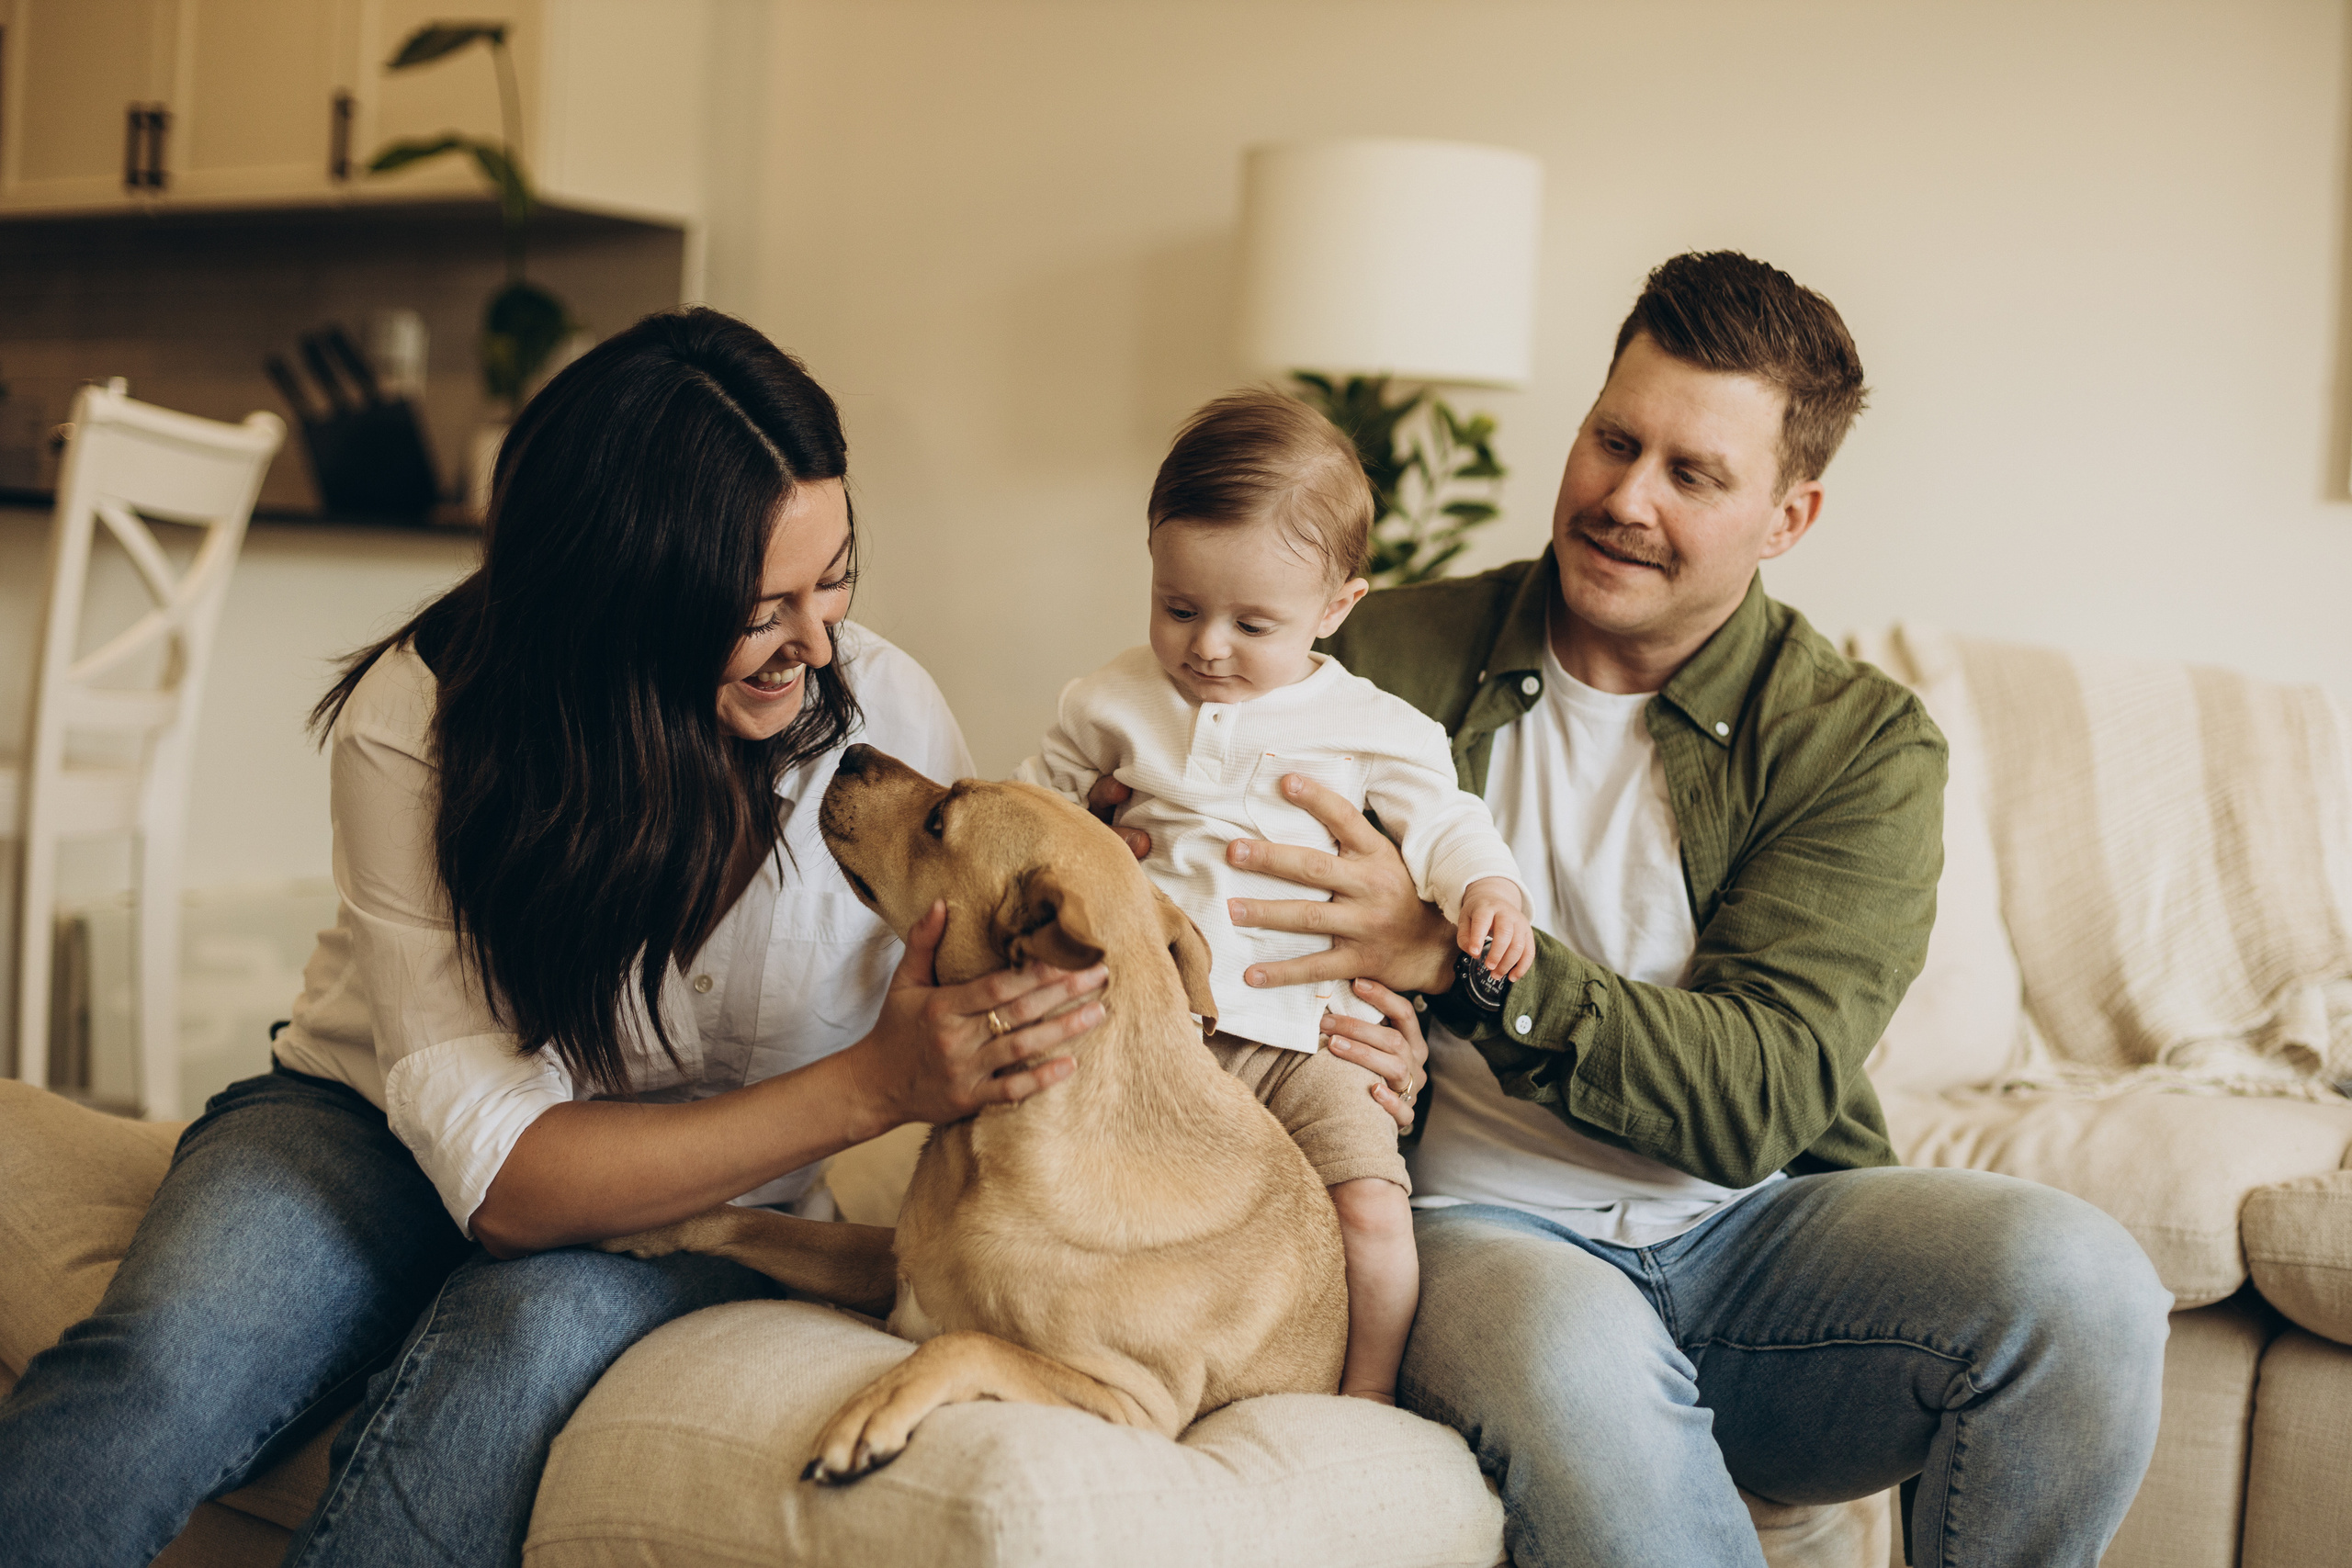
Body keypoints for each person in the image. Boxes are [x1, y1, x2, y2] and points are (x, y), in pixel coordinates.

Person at [1101, 253, 2174, 1565]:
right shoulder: (1375, 658)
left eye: (1693, 473)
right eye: (1614, 439)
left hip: (1759, 1232)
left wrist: (1458, 965)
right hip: (1473, 1228)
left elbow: (1761, 1093)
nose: (1623, 497)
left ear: (1789, 517)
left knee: (2088, 1282)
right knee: (1575, 1353)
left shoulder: (1859, 744)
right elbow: (1172, 849)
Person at [0, 309, 1117, 1568]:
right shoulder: (422, 719)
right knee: (158, 1366)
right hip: (363, 1125)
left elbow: (1039, 965)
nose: (818, 643)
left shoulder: (883, 716)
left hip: (716, 1202)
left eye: (835, 577)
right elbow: (509, 1179)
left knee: (501, 1361)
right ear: (620, 594)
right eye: (762, 605)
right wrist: (870, 1087)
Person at [1016, 389, 1532, 1404]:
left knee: (1373, 1215)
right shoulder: (1112, 700)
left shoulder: (1374, 724)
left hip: (1316, 1040)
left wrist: (1488, 888)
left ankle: (1366, 1396)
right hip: (1150, 1031)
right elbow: (1032, 805)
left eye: (1253, 623)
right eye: (1178, 608)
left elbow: (1444, 819)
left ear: (1337, 606)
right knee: (1063, 1182)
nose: (1206, 647)